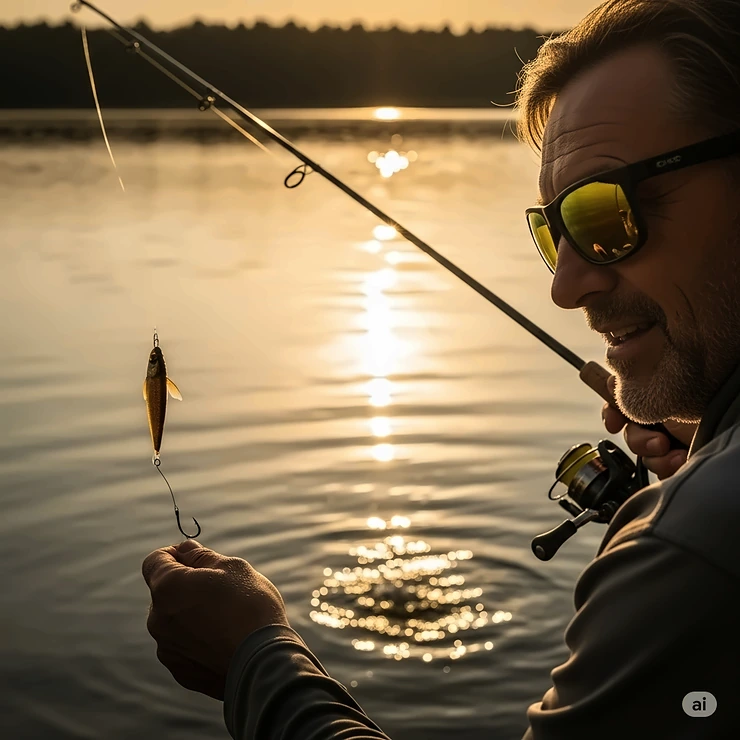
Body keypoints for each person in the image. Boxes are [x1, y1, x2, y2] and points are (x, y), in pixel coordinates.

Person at [141, 0, 740, 737]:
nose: (565, 286)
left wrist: (255, 661)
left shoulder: (691, 547)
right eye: (553, 232)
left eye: (605, 216)